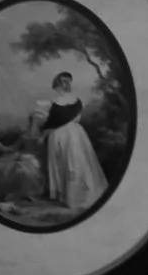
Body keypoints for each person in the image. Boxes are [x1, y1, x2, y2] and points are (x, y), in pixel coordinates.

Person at [33, 69, 107, 213]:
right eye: (62, 82)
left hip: (76, 135)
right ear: (57, 85)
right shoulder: (51, 103)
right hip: (58, 136)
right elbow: (49, 123)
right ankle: (66, 197)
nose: (66, 84)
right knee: (64, 164)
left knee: (78, 161)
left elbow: (75, 119)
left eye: (68, 81)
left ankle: (80, 196)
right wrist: (42, 135)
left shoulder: (78, 101)